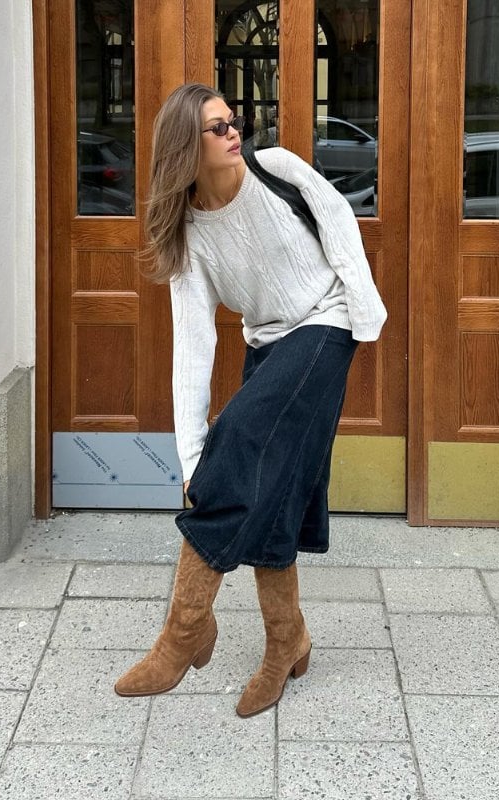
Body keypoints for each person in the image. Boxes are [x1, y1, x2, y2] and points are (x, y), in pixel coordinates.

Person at [114, 82, 387, 717]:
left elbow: (339, 218)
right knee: (277, 491)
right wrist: (189, 459)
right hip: (267, 343)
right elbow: (192, 345)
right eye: (217, 127)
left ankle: (183, 633)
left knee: (237, 441)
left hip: (326, 321)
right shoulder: (189, 237)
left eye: (232, 121)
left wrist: (364, 312)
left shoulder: (277, 169)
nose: (234, 132)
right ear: (187, 145)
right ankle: (286, 642)